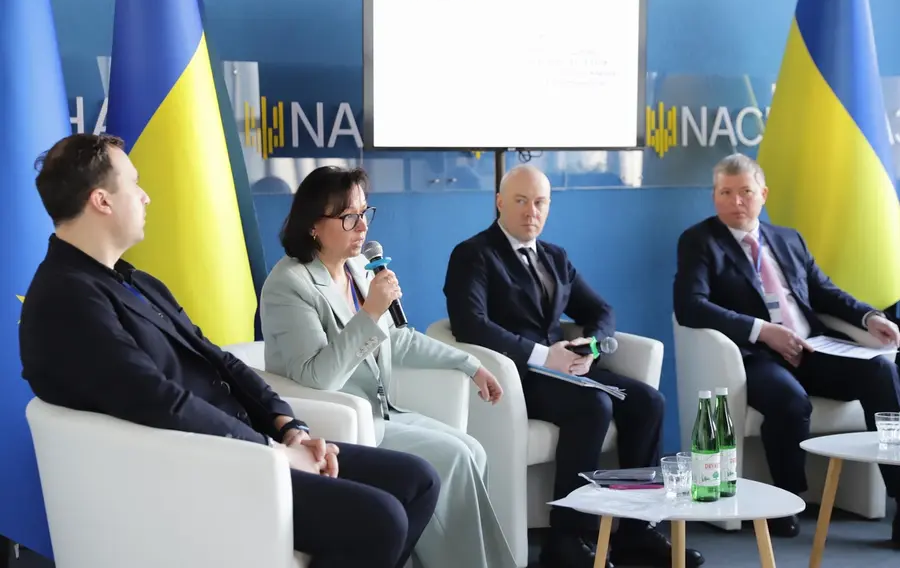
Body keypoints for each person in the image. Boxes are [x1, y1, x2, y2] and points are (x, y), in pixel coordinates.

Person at [19, 134, 440, 568]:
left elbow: (220, 361)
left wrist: (289, 426)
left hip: (246, 445)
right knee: (381, 519)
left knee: (418, 481)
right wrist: (273, 452)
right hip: (201, 470)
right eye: (134, 183)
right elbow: (159, 400)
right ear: (102, 201)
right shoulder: (65, 299)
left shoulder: (137, 281)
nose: (145, 196)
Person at [443, 165, 704, 568]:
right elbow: (470, 324)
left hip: (567, 371)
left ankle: (637, 530)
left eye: (540, 202)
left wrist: (591, 347)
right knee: (593, 406)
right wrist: (544, 355)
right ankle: (566, 538)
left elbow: (600, 309)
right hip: (517, 376)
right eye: (520, 201)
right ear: (499, 202)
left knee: (648, 402)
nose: (531, 211)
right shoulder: (473, 254)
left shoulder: (554, 256)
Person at [259, 166, 516, 568]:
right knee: (455, 457)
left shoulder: (356, 268)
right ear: (313, 225)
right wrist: (370, 312)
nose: (362, 226)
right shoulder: (289, 284)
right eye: (349, 217)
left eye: (365, 213)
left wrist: (470, 365)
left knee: (473, 450)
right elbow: (318, 377)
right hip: (340, 424)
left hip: (382, 412)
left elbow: (398, 338)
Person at [673, 153, 900, 544]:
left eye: (745, 192)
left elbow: (824, 292)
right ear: (714, 196)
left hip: (813, 348)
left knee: (882, 370)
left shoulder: (788, 238)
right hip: (754, 356)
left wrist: (868, 317)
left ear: (763, 194)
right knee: (790, 401)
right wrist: (762, 331)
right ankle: (787, 500)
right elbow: (691, 306)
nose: (735, 201)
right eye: (725, 192)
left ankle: (899, 496)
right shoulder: (699, 241)